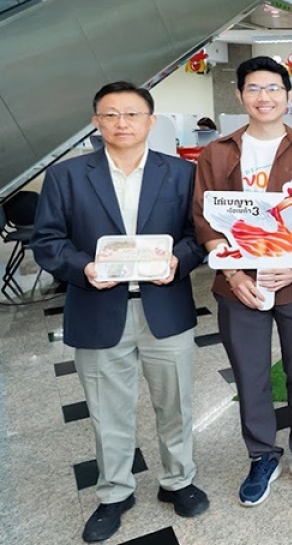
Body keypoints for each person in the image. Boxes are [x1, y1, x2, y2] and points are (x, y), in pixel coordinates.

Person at [32, 82, 209, 543]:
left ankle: (179, 480)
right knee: (107, 411)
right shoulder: (67, 176)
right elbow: (47, 241)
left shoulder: (182, 173)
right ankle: (114, 492)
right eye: (110, 115)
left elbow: (198, 236)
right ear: (96, 122)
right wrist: (84, 268)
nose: (121, 123)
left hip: (165, 308)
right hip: (96, 307)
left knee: (176, 403)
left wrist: (179, 261)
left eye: (132, 114)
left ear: (151, 121)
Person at [193, 56, 292, 506]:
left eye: (273, 88)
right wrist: (233, 273)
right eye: (254, 88)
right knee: (250, 373)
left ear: (288, 96)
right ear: (240, 95)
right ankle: (261, 455)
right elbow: (203, 218)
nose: (264, 97)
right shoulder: (217, 153)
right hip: (239, 286)